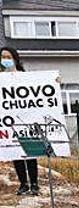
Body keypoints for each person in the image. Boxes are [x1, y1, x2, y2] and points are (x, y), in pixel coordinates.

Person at [1, 46, 39, 196]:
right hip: (9, 122)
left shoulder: (25, 77)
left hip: (27, 119)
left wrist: (55, 81)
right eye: (3, 57)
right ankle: (23, 183)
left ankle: (34, 184)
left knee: (30, 152)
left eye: (8, 57)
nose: (5, 60)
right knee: (15, 152)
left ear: (15, 59)